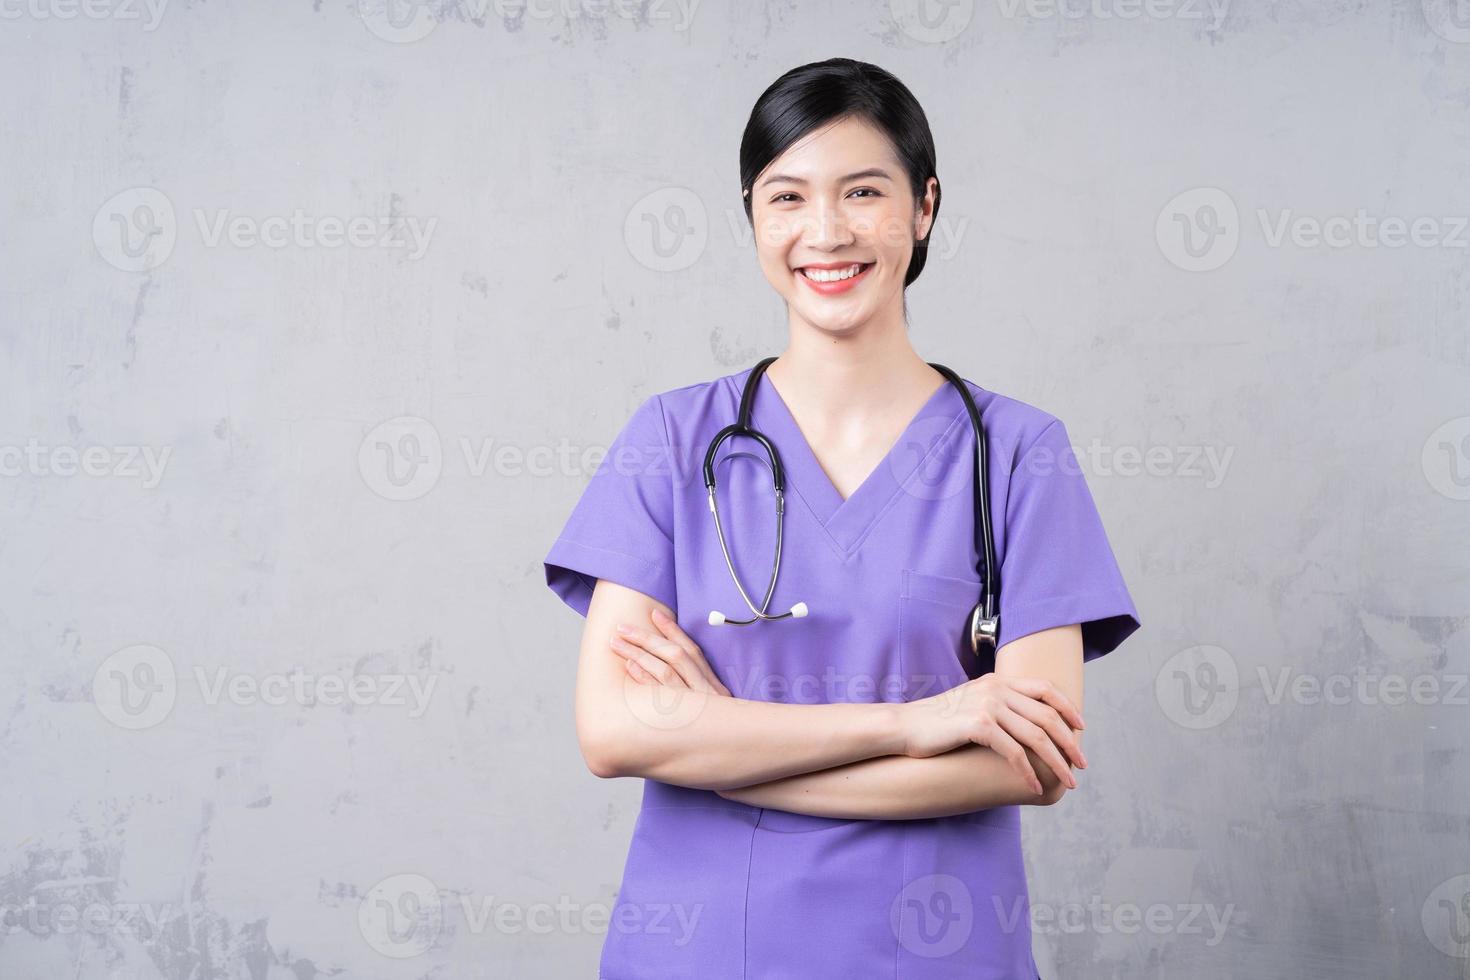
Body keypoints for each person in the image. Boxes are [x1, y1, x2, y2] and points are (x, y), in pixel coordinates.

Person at [544, 57, 1142, 980]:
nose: (825, 232)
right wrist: (920, 721)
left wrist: (719, 741)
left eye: (863, 192)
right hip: (709, 952)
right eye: (787, 197)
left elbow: (1033, 768)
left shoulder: (1020, 455)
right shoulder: (669, 440)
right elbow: (614, 734)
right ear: (753, 217)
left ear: (925, 207)